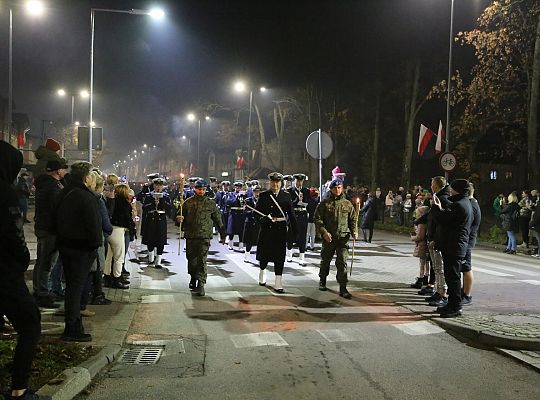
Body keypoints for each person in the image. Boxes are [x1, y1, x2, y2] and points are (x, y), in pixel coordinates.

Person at [0, 141, 46, 400]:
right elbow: (12, 233)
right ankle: (19, 389)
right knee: (30, 324)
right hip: (5, 271)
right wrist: (22, 258)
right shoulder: (6, 193)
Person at [56, 162, 102, 341]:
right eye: (92, 176)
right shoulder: (85, 197)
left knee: (71, 288)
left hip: (67, 246)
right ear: (86, 178)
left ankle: (73, 325)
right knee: (75, 289)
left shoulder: (65, 193)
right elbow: (93, 226)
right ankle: (72, 328)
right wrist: (94, 245)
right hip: (81, 249)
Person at [431, 179, 473, 318]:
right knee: (451, 276)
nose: (450, 190)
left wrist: (436, 207)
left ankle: (455, 306)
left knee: (453, 278)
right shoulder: (464, 203)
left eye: (452, 188)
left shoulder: (459, 205)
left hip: (454, 246)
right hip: (455, 245)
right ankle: (451, 304)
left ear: (457, 190)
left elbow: (442, 219)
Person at [176, 179, 226, 296]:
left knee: (202, 260)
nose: (201, 191)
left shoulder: (210, 203)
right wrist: (179, 219)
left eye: (203, 189)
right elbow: (179, 218)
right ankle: (193, 277)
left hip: (204, 236)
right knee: (191, 259)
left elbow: (218, 220)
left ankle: (201, 283)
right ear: (195, 189)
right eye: (199, 189)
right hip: (191, 235)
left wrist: (223, 234)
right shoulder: (187, 203)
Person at [314, 178, 358, 299]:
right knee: (325, 261)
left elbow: (353, 219)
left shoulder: (347, 204)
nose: (337, 190)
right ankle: (322, 280)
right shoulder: (325, 203)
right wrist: (324, 233)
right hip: (329, 238)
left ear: (342, 188)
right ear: (331, 189)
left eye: (339, 188)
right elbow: (317, 219)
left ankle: (343, 287)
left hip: (343, 238)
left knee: (342, 263)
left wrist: (354, 231)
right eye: (335, 188)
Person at [33, 159, 67, 309]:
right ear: (57, 171)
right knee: (47, 262)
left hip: (43, 226)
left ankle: (39, 291)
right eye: (63, 169)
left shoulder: (44, 183)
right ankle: (42, 293)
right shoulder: (53, 187)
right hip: (50, 229)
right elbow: (57, 209)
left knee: (41, 261)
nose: (65, 171)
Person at [255, 172, 297, 293]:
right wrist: (264, 219)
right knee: (264, 254)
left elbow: (291, 215)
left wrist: (295, 232)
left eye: (277, 182)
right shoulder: (263, 196)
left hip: (280, 229)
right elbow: (256, 213)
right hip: (267, 229)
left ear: (281, 183)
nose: (275, 184)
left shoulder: (286, 196)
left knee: (279, 256)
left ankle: (278, 282)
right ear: (270, 183)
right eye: (273, 182)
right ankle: (262, 271)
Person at [425, 176, 451, 308]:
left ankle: (443, 293)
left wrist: (434, 238)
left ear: (435, 185)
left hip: (437, 239)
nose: (430, 186)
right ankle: (438, 290)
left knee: (439, 268)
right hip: (433, 238)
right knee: (436, 267)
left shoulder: (442, 199)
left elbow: (440, 221)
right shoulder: (438, 197)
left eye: (431, 183)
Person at [104, 184, 134, 288]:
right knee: (119, 256)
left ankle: (107, 277)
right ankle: (117, 278)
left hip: (109, 229)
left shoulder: (112, 201)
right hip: (119, 230)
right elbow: (127, 219)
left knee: (108, 256)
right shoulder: (125, 204)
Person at [141, 177, 172, 267]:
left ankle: (158, 260)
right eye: (156, 185)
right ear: (154, 186)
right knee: (150, 238)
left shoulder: (166, 196)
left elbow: (169, 207)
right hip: (151, 219)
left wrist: (162, 201)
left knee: (160, 240)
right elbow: (144, 207)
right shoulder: (149, 195)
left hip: (161, 219)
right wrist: (152, 204)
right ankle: (151, 257)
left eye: (160, 185)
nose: (158, 187)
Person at [462, 182, 481, 306]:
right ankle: (464, 291)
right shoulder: (473, 203)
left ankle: (467, 295)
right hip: (467, 239)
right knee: (464, 267)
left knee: (466, 267)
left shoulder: (472, 205)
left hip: (467, 240)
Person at [286, 173, 312, 265]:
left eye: (301, 181)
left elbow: (309, 202)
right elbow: (288, 204)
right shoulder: (289, 191)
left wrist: (305, 202)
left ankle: (302, 257)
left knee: (302, 237)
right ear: (294, 181)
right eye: (298, 181)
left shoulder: (306, 191)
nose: (299, 182)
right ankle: (289, 255)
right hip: (293, 215)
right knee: (290, 236)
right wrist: (297, 200)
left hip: (302, 215)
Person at [410, 206, 429, 289]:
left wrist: (413, 238)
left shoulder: (421, 223)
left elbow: (420, 236)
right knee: (427, 263)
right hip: (426, 245)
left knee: (422, 263)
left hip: (422, 245)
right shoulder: (428, 221)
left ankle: (420, 279)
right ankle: (426, 277)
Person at [242, 185, 261, 263]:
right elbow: (244, 212)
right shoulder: (248, 201)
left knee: (259, 242)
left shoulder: (262, 201)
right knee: (249, 241)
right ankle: (246, 255)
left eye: (258, 192)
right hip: (250, 223)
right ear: (253, 192)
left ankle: (259, 258)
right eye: (255, 192)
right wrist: (251, 212)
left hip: (258, 224)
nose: (257, 193)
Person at [226, 182, 246, 251]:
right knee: (232, 230)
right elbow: (229, 202)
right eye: (237, 187)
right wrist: (237, 197)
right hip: (233, 214)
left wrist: (243, 197)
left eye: (239, 187)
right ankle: (230, 244)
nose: (238, 188)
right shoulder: (231, 194)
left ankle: (241, 246)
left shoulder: (244, 195)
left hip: (241, 214)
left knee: (241, 231)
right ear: (234, 188)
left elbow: (245, 203)